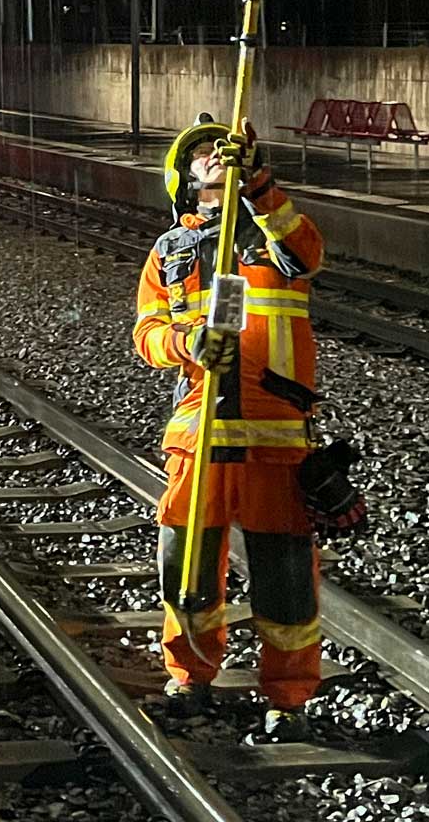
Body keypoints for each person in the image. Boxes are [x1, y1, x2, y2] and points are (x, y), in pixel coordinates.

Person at [133, 115, 327, 738]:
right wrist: (187, 341)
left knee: (285, 574)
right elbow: (147, 334)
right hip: (199, 430)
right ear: (184, 179)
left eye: (225, 151)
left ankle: (289, 696)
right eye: (202, 154)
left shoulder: (272, 236)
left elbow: (307, 253)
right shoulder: (170, 253)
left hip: (275, 434)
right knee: (186, 566)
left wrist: (260, 183)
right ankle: (189, 677)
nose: (214, 158)